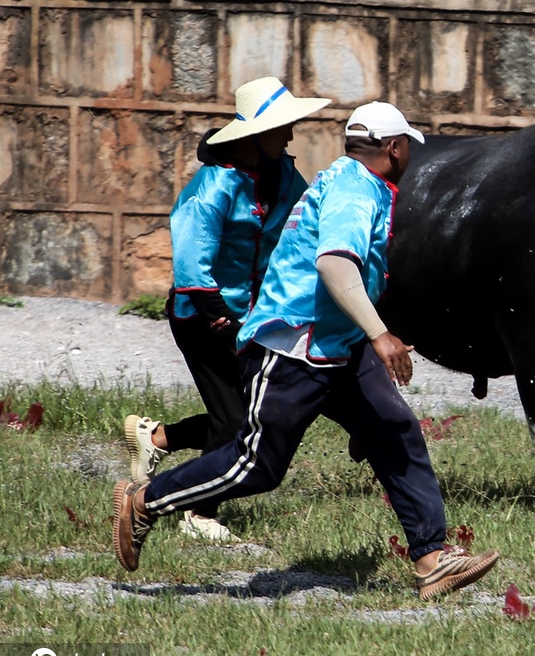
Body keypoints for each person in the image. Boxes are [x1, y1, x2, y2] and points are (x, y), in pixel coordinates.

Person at [111, 101, 500, 600]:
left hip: (339, 344)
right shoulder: (355, 191)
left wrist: (372, 334)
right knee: (258, 466)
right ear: (395, 148)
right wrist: (381, 335)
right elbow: (336, 265)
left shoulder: (350, 179)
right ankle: (144, 500)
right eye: (408, 149)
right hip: (295, 343)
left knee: (395, 432)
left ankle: (432, 559)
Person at [122, 77, 330, 541]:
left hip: (247, 317)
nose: (291, 135)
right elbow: (191, 254)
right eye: (283, 128)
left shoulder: (283, 176)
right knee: (236, 420)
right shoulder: (214, 184)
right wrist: (215, 309)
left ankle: (156, 439)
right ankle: (198, 513)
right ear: (256, 134)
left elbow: (303, 224)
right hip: (202, 316)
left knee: (249, 413)